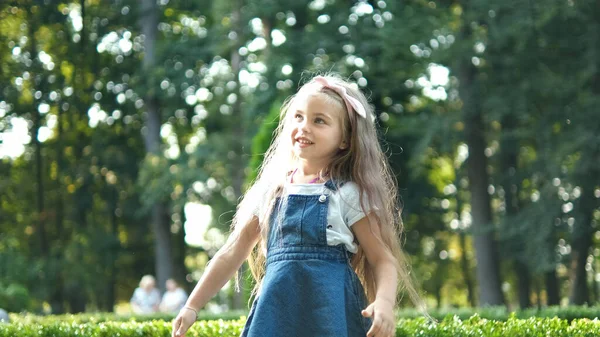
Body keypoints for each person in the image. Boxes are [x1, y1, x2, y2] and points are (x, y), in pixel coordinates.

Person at [171, 74, 425, 337]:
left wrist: (383, 303)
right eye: (299, 117)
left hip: (331, 317)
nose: (304, 126)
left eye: (319, 121)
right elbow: (231, 253)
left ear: (345, 140)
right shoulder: (270, 191)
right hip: (276, 316)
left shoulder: (348, 195)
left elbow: (381, 258)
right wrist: (192, 305)